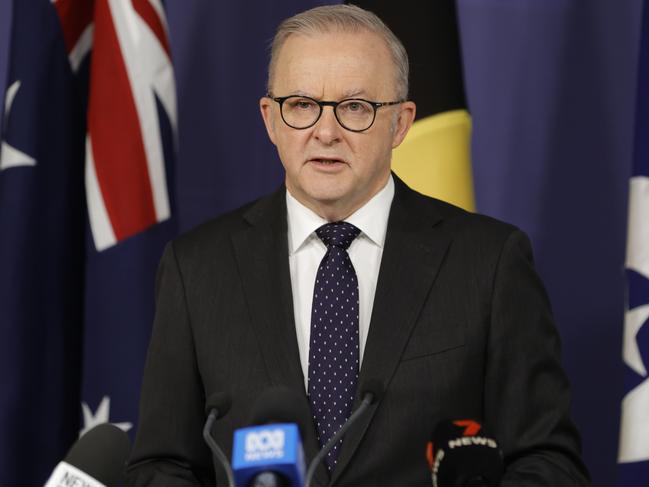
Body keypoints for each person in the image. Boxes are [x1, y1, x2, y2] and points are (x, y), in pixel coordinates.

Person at [126, 5, 590, 486]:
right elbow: (162, 465)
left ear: (401, 123)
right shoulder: (198, 267)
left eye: (355, 108)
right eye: (302, 105)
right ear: (270, 119)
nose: (325, 132)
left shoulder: (488, 262)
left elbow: (548, 463)